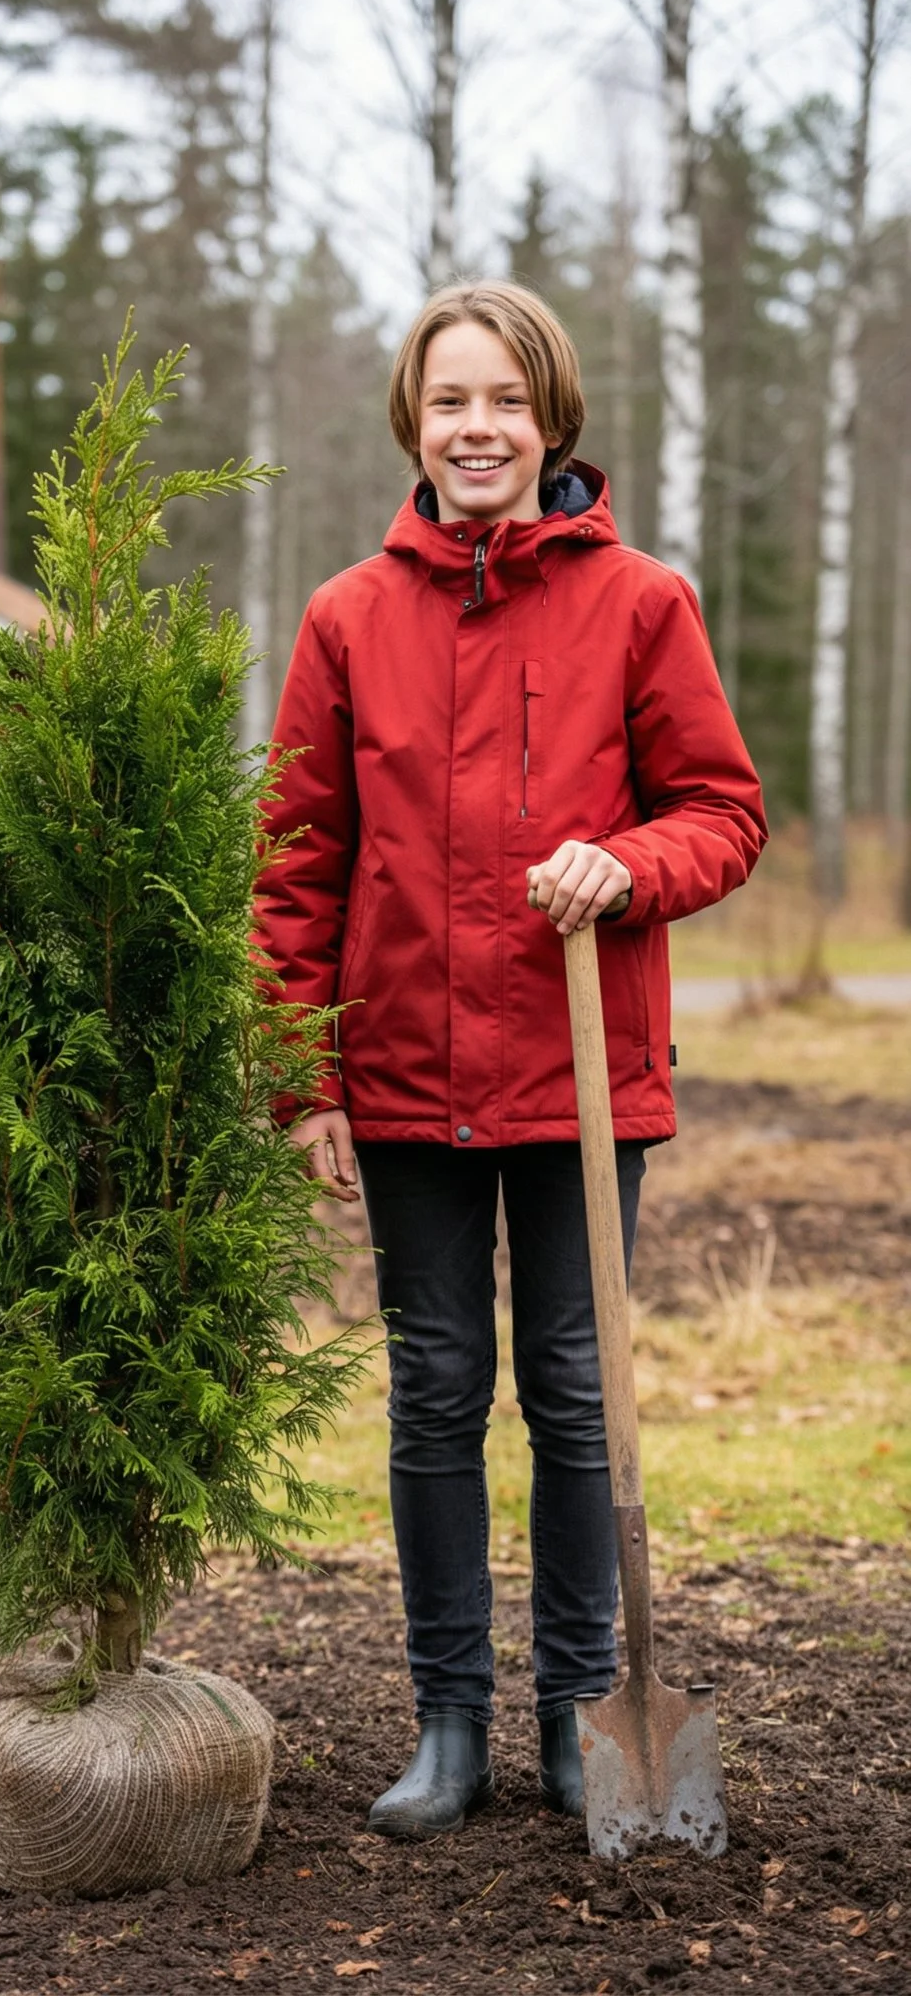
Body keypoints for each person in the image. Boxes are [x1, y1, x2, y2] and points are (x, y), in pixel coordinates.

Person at [253, 280, 766, 1839]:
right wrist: (303, 1075)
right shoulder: (349, 617)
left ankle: (575, 1711)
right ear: (414, 422)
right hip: (404, 1076)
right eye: (450, 402)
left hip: (582, 1081)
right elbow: (297, 859)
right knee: (434, 1392)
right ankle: (449, 1726)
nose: (479, 430)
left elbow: (724, 813)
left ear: (554, 424)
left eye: (506, 402)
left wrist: (628, 863)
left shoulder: (641, 605)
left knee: (571, 1388)